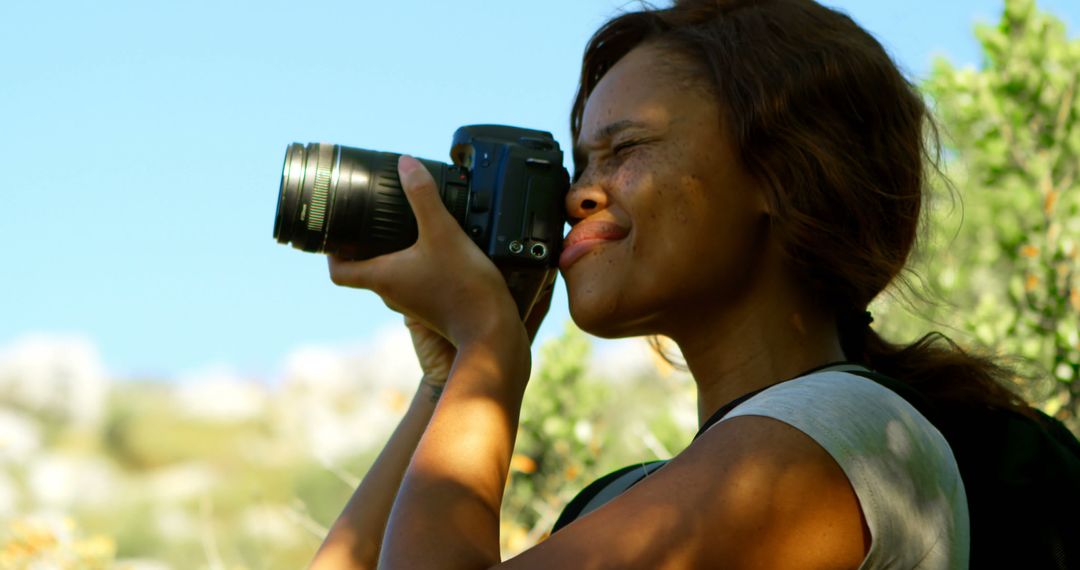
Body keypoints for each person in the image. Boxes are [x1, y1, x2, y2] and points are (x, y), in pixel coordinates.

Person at [308, 0, 1042, 567]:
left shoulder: (844, 436)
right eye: (581, 163)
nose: (578, 196)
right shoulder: (627, 500)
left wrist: (491, 353)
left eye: (623, 149)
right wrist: (448, 377)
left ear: (781, 175)